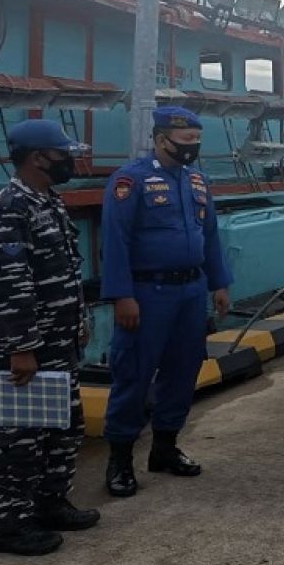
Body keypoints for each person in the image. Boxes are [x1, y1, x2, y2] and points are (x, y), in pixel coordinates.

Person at [0, 121, 100, 555]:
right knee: (17, 441)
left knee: (62, 430)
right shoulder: (8, 209)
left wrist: (79, 318)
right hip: (23, 351)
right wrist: (22, 348)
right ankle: (10, 527)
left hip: (57, 344)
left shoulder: (48, 202)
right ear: (38, 158)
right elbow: (8, 285)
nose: (70, 160)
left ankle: (49, 504)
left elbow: (66, 270)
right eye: (63, 153)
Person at [100, 106, 233, 497]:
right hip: (147, 293)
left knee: (183, 368)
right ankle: (120, 460)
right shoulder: (131, 181)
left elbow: (210, 235)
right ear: (161, 140)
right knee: (135, 372)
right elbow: (116, 240)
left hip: (191, 292)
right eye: (185, 141)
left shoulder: (198, 181)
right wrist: (122, 295)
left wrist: (219, 284)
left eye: (196, 141)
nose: (192, 148)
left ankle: (165, 447)